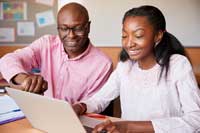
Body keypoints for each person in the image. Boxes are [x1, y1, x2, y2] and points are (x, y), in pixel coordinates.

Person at [73, 5, 200, 132]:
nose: (129, 44)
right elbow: (99, 99)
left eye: (138, 36)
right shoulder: (125, 66)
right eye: (124, 36)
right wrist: (80, 107)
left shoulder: (177, 64)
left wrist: (128, 127)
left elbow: (195, 119)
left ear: (158, 35)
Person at [0, 2, 112, 104]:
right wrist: (24, 79)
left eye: (78, 28)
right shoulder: (46, 44)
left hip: (74, 121)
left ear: (88, 27)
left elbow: (92, 105)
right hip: (40, 114)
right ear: (58, 29)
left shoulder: (102, 64)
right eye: (64, 29)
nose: (71, 35)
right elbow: (6, 60)